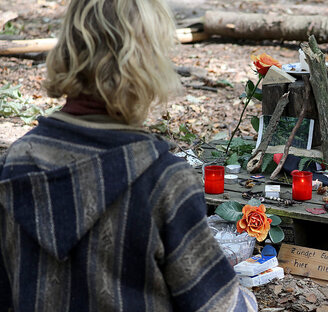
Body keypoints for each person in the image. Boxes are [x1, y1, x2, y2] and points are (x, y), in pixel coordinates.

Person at [0, 0, 257, 310]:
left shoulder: (15, 163)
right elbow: (221, 306)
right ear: (147, 63)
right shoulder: (162, 181)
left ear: (68, 49)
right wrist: (245, 296)